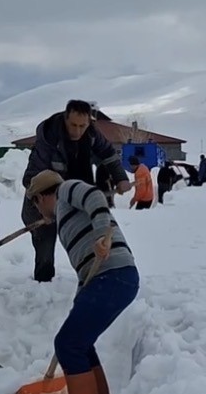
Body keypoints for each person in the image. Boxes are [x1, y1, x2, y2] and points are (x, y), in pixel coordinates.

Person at [26, 169, 141, 394]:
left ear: (42, 197)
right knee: (80, 344)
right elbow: (87, 267)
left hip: (113, 274)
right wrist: (82, 298)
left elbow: (94, 196)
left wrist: (104, 235)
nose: (39, 210)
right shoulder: (67, 218)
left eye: (36, 204)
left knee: (68, 344)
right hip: (109, 278)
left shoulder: (67, 190)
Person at [21, 99, 131, 282]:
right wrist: (46, 206)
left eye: (83, 125)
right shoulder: (48, 138)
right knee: (45, 245)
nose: (78, 131)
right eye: (73, 125)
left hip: (78, 197)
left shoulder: (93, 135)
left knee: (92, 234)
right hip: (42, 202)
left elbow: (109, 155)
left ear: (89, 122)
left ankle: (96, 274)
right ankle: (43, 283)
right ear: (65, 119)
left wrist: (121, 178)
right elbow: (31, 179)